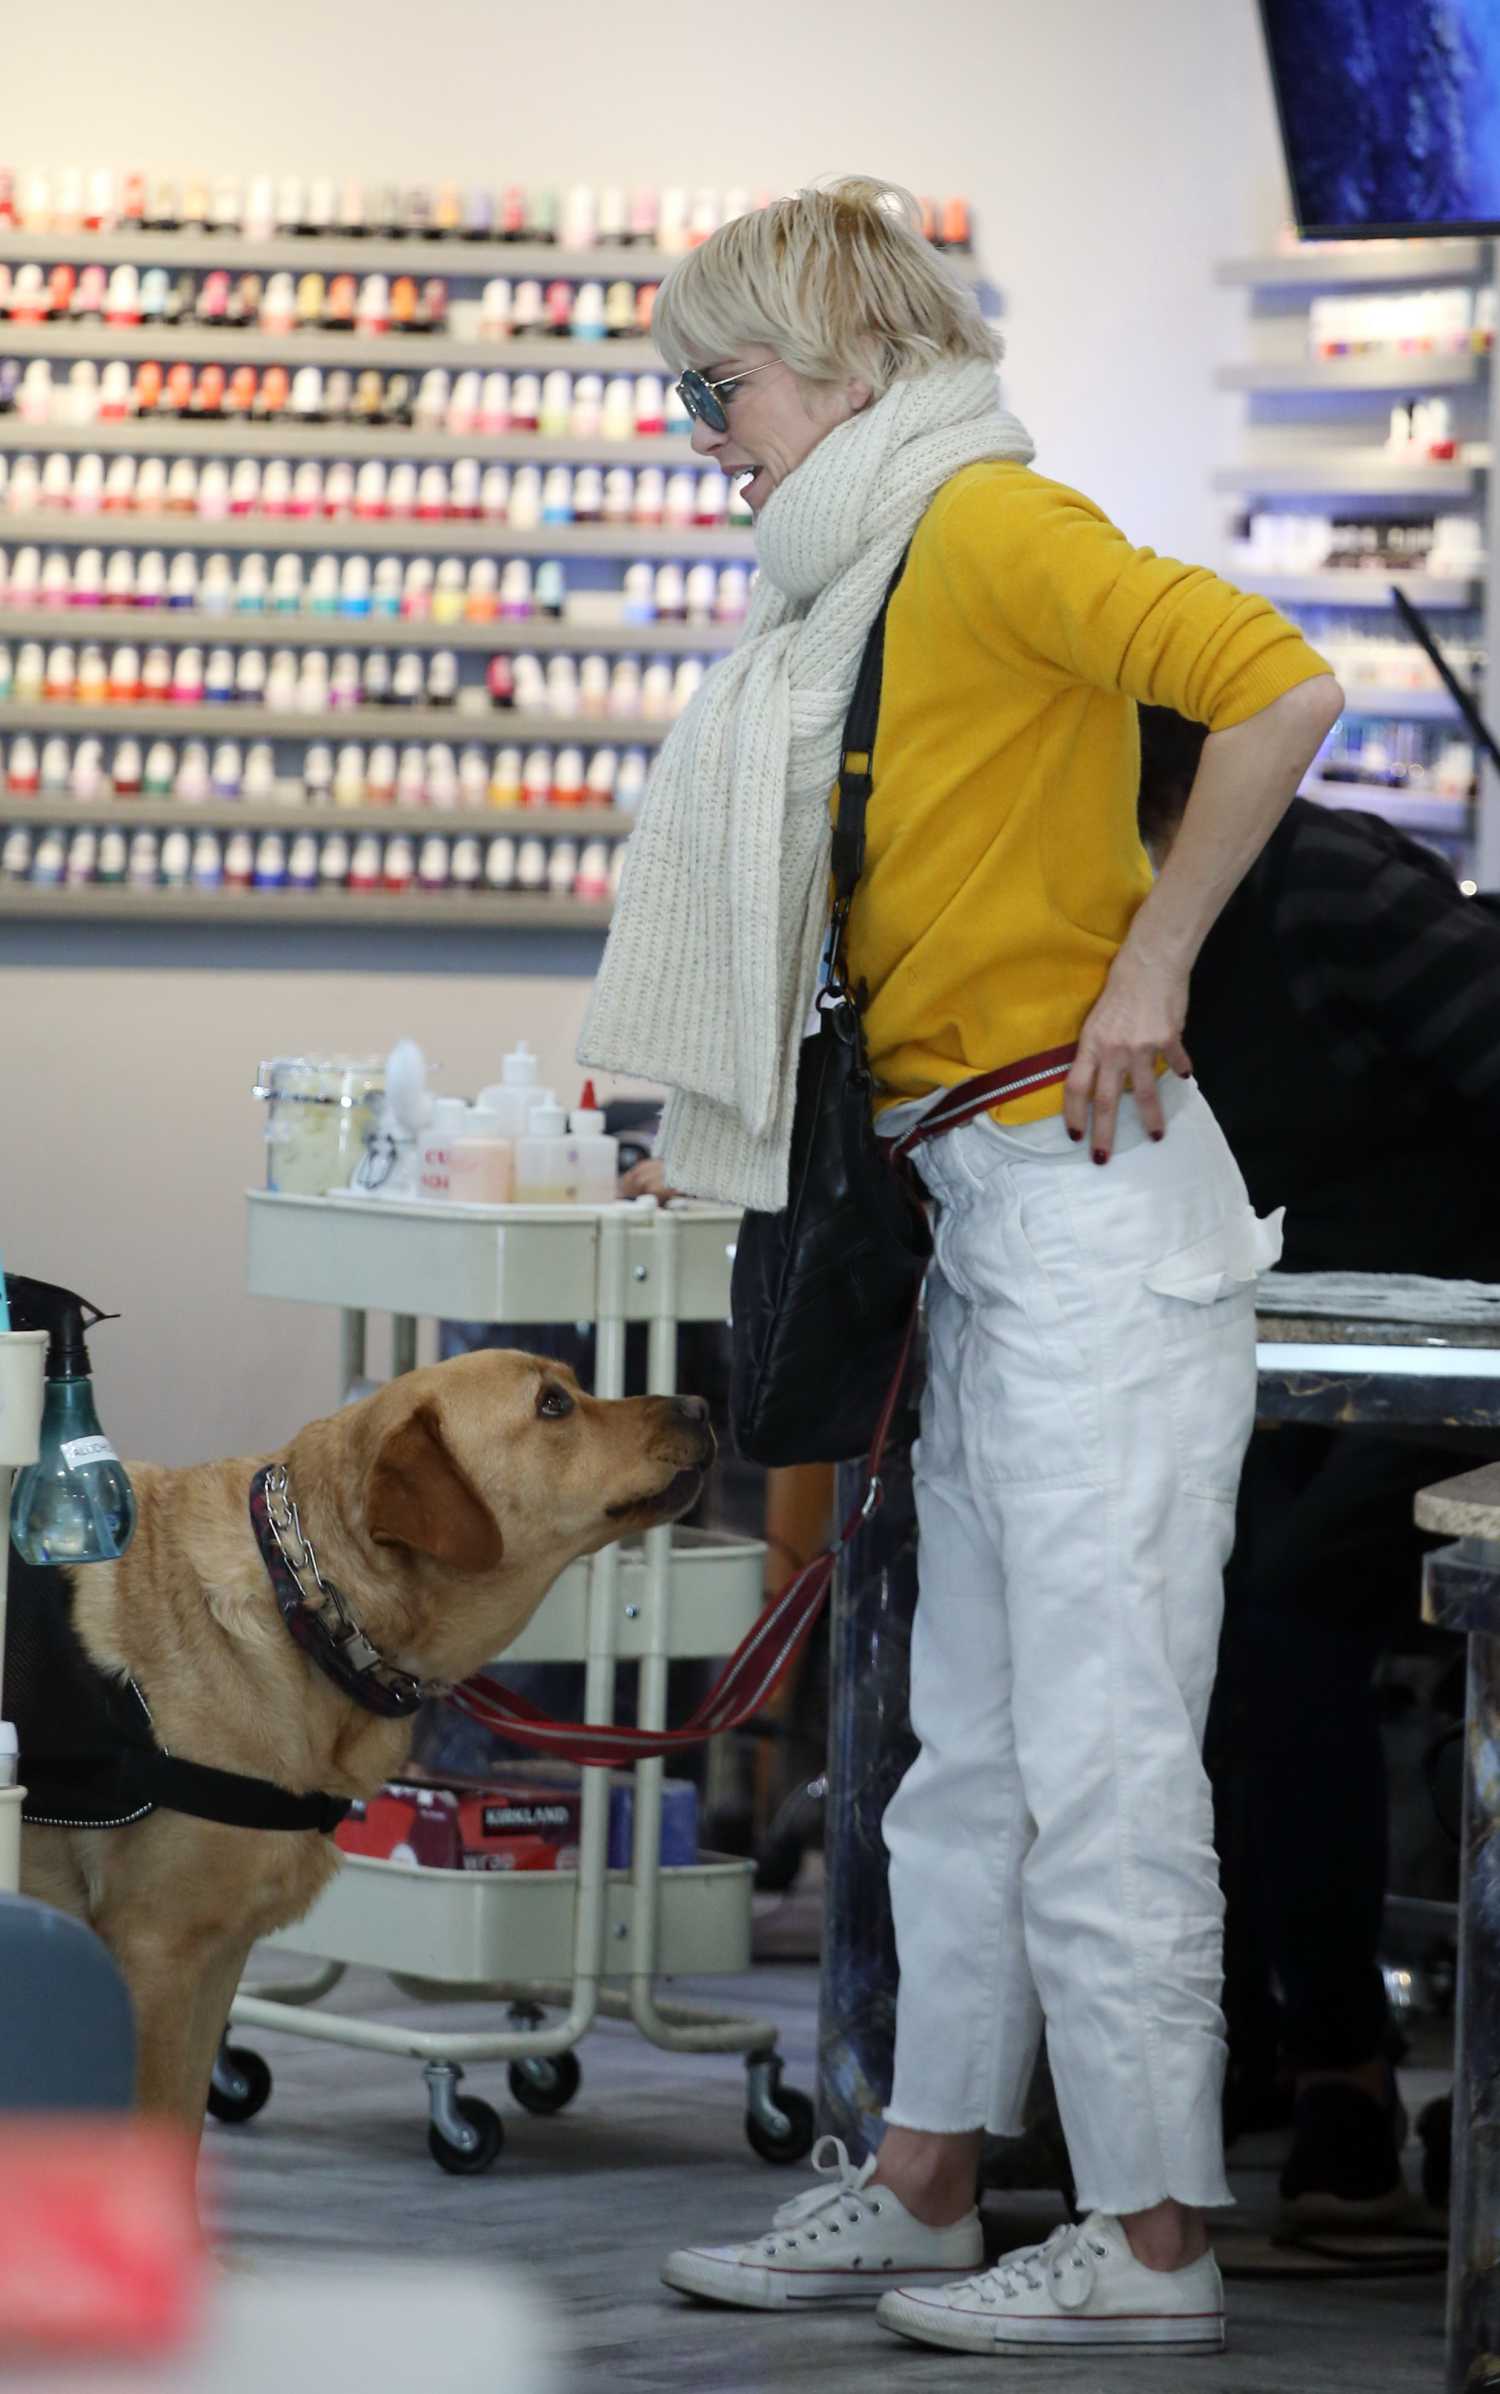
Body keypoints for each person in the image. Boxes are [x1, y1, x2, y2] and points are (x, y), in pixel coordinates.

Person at [578, 177, 1341, 2357]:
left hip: (1091, 1195)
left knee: (1097, 1752)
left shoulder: (989, 526)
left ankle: (1159, 2245)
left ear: (827, 359)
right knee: (968, 1748)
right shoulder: (872, 578)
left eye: (716, 389)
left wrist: (1151, 969)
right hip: (987, 1200)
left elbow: (1275, 689)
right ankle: (928, 2178)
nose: (705, 432)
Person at [1139, 706, 1500, 2231]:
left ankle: (1347, 2066)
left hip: (1458, 1348)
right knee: (1176, 1600)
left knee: (1282, 1616)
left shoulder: (1341, 893)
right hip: (1284, 1356)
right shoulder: (1131, 926)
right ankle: (1232, 2040)